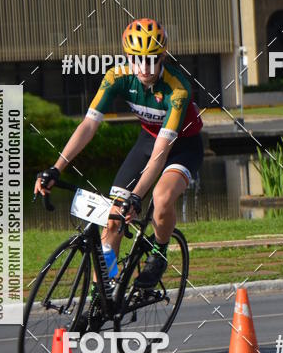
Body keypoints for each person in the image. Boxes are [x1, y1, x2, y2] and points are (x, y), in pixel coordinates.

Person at [34, 17, 203, 296]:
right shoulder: (117, 77)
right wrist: (56, 168)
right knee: (113, 218)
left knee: (160, 198)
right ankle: (105, 292)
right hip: (147, 140)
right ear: (127, 57)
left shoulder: (177, 89)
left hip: (182, 146)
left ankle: (159, 254)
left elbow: (162, 153)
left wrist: (136, 195)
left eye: (152, 60)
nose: (145, 68)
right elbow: (88, 125)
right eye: (138, 60)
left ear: (163, 56)